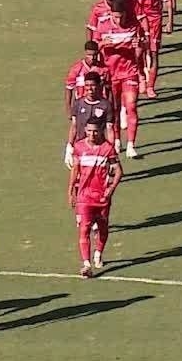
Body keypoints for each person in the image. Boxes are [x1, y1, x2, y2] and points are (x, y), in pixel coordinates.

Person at [92, 0, 146, 158]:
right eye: (115, 16)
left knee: (131, 105)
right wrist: (102, 44)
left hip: (129, 71)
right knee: (113, 109)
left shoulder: (134, 25)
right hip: (110, 73)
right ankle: (116, 140)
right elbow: (93, 48)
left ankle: (131, 145)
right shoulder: (103, 26)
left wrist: (140, 46)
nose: (118, 19)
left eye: (121, 16)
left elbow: (142, 46)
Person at [68, 116, 122, 278]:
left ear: (101, 131)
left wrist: (110, 189)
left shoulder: (107, 149)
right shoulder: (78, 147)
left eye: (95, 131)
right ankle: (86, 264)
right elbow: (75, 170)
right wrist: (70, 190)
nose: (92, 134)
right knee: (84, 228)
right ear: (85, 130)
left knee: (103, 228)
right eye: (89, 131)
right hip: (84, 197)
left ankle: (98, 253)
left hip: (102, 197)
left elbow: (119, 171)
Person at [127, 0, 175, 98]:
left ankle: (150, 86)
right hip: (138, 22)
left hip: (154, 22)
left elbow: (168, 1)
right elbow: (128, 1)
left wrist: (170, 22)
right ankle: (141, 75)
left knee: (153, 54)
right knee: (137, 53)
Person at [65, 71, 117, 166]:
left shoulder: (106, 105)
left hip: (98, 146)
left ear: (98, 85)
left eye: (92, 85)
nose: (90, 88)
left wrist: (111, 147)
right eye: (87, 85)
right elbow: (74, 126)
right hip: (81, 145)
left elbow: (109, 129)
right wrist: (69, 145)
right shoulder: (78, 103)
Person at [64, 40, 110, 119]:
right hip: (81, 105)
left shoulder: (103, 70)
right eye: (89, 55)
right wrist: (68, 109)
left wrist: (109, 106)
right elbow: (69, 88)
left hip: (99, 106)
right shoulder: (76, 68)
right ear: (85, 53)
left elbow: (108, 89)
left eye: (95, 55)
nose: (92, 58)